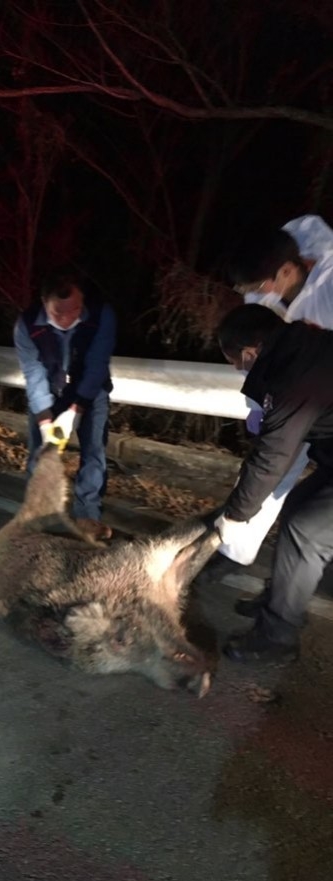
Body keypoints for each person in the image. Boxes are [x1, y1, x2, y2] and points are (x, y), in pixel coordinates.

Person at [214, 303, 333, 664]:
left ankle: (276, 636)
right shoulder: (304, 346)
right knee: (298, 508)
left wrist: (234, 515)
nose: (239, 369)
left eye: (237, 361)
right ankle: (279, 600)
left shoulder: (294, 373)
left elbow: (272, 455)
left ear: (251, 352)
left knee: (307, 531)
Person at [218, 215, 333, 566]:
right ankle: (232, 550)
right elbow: (252, 347)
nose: (256, 295)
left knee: (302, 514)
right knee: (266, 470)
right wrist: (258, 404)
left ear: (286, 271)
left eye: (260, 286)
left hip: (322, 403)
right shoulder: (263, 285)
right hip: (291, 402)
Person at [13, 268, 116, 530]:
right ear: (44, 303)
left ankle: (88, 516)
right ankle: (38, 514)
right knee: (42, 453)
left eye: (75, 309)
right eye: (59, 312)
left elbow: (97, 364)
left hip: (91, 392)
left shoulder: (100, 315)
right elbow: (33, 373)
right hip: (49, 391)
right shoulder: (26, 325)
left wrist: (76, 410)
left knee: (93, 453)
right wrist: (46, 421)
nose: (69, 318)